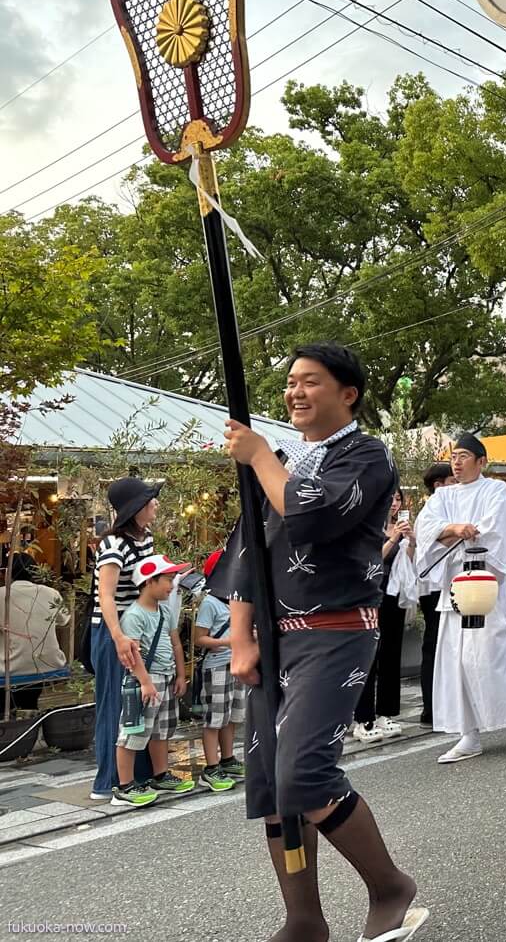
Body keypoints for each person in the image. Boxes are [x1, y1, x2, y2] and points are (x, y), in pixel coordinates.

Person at [223, 341, 426, 942]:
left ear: (348, 394)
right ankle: (304, 918)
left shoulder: (366, 457)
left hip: (334, 633)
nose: (295, 392)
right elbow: (244, 557)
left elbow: (309, 515)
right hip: (273, 641)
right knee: (271, 787)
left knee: (305, 773)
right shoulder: (278, 463)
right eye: (290, 382)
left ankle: (390, 885)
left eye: (310, 381)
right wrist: (240, 639)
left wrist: (260, 455)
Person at [414, 432, 506, 763]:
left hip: (487, 582)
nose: (457, 461)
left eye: (465, 455)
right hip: (457, 585)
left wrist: (467, 530)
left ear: (481, 462)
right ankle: (469, 733)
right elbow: (427, 528)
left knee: (498, 652)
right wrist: (454, 528)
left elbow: (496, 528)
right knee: (459, 658)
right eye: (455, 456)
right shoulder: (442, 497)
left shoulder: (495, 489)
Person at [88, 476, 161, 801]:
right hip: (111, 631)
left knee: (140, 701)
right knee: (117, 703)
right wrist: (118, 637)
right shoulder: (113, 545)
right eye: (150, 500)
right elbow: (105, 595)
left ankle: (137, 776)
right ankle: (110, 782)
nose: (156, 504)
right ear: (136, 508)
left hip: (136, 627)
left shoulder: (146, 539)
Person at [112, 554, 196, 806]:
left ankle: (160, 774)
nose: (172, 585)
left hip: (166, 677)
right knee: (133, 731)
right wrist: (146, 682)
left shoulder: (164, 611)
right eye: (168, 579)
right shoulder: (134, 615)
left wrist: (181, 674)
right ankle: (125, 785)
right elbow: (132, 654)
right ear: (149, 581)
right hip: (145, 681)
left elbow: (175, 642)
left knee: (161, 731)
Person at [353, 489, 412, 743]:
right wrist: (394, 537)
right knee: (369, 656)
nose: (395, 503)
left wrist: (412, 540)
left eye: (398, 499)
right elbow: (373, 559)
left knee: (391, 653)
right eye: (390, 498)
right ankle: (362, 718)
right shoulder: (366, 526)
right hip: (370, 595)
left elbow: (410, 562)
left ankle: (386, 713)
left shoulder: (401, 527)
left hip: (394, 595)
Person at [193, 567, 245, 792]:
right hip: (216, 667)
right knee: (214, 717)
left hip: (236, 663)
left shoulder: (237, 600)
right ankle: (211, 767)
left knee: (232, 715)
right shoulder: (210, 602)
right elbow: (199, 638)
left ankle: (228, 758)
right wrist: (227, 643)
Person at [2, 553, 69, 711]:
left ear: (7, 572)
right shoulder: (51, 593)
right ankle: (28, 714)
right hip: (48, 663)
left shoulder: (2, 595)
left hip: (10, 668)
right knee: (28, 697)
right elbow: (64, 620)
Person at [417, 462, 454, 726]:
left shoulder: (449, 505)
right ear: (438, 485)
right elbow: (430, 539)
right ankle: (431, 707)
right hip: (433, 587)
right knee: (435, 644)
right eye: (451, 481)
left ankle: (443, 704)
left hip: (448, 584)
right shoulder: (432, 509)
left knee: (446, 645)